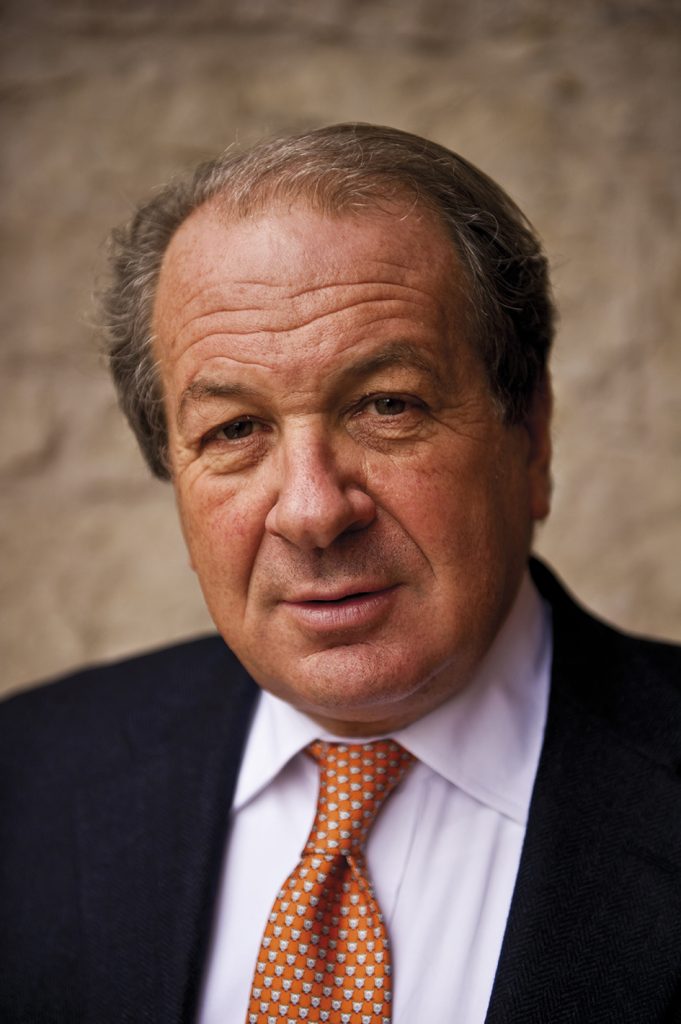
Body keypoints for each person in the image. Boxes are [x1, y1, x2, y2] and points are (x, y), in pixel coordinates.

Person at [1, 123, 679, 1024]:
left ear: (531, 436)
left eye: (386, 405)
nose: (313, 511)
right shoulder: (23, 779)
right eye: (235, 430)